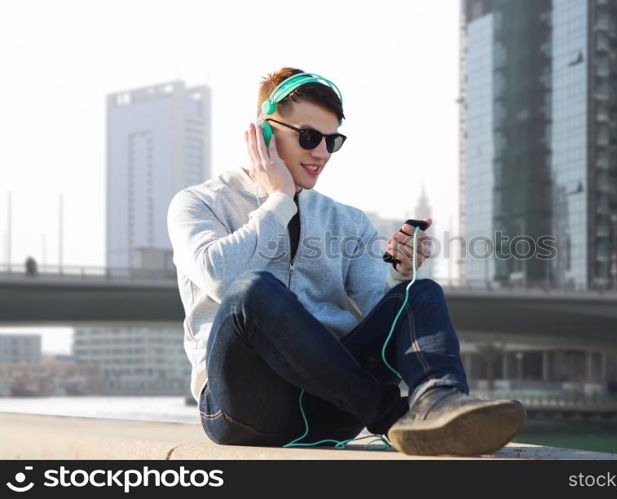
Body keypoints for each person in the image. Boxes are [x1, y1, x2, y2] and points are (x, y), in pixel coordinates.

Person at [166, 67, 525, 456]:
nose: (321, 154)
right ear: (264, 133)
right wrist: (278, 200)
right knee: (252, 290)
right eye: (308, 137)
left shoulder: (348, 221)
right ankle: (395, 418)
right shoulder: (198, 203)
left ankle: (440, 403)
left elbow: (378, 311)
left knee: (418, 292)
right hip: (247, 410)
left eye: (331, 141)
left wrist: (400, 273)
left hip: (333, 406)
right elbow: (222, 278)